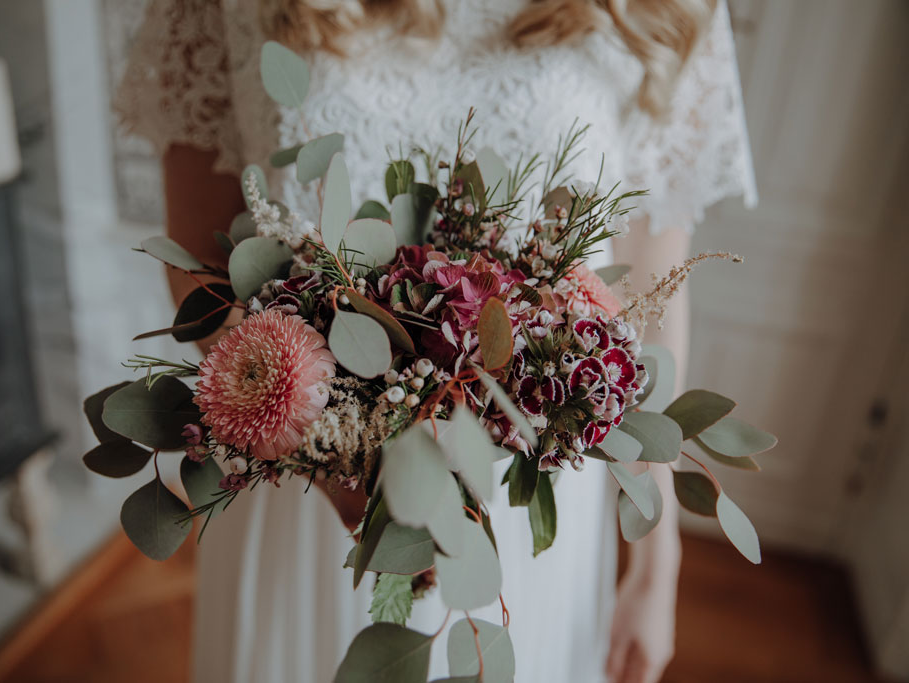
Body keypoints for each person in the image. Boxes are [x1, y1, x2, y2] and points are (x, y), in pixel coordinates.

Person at [114, 1, 756, 681]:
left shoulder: (665, 11)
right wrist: (331, 449)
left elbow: (649, 297)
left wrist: (658, 566)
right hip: (301, 485)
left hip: (523, 495)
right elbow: (201, 268)